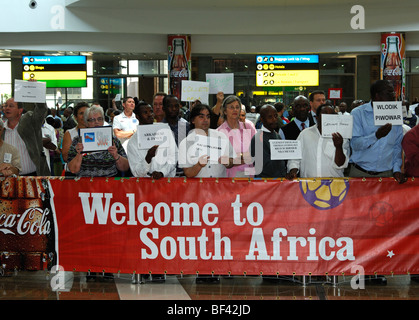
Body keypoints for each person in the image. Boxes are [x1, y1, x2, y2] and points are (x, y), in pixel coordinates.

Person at [349, 80, 406, 184]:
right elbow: (355, 144)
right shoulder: (358, 113)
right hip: (360, 173)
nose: (393, 96)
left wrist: (396, 169)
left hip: (386, 174)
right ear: (377, 96)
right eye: (389, 93)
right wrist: (376, 136)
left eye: (393, 93)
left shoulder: (395, 114)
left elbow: (397, 146)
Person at [286, 104, 350, 179]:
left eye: (331, 115)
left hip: (333, 186)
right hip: (308, 185)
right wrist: (293, 170)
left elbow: (340, 165)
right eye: (325, 114)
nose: (328, 117)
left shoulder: (341, 136)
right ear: (317, 118)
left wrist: (339, 147)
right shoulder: (305, 134)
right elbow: (295, 157)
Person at [67, 105, 129, 177]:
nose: (96, 122)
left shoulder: (113, 140)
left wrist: (116, 155)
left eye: (100, 119)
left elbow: (125, 168)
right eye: (92, 119)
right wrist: (79, 154)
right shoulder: (78, 140)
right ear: (86, 122)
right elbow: (73, 170)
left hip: (109, 183)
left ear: (103, 121)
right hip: (85, 184)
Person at [178, 104, 235, 178]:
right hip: (198, 187)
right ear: (193, 120)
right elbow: (188, 173)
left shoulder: (221, 137)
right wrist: (199, 165)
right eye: (201, 117)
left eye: (208, 117)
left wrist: (228, 162)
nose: (205, 120)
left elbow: (232, 160)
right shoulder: (186, 143)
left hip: (219, 186)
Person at [127, 102, 177, 179]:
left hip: (167, 179)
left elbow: (174, 155)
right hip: (146, 183)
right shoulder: (132, 142)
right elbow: (136, 172)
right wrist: (148, 158)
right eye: (145, 112)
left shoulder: (164, 130)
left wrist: (162, 172)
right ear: (137, 117)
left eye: (151, 111)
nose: (150, 114)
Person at [2, 98, 50, 176]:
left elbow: (41, 109)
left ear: (20, 110)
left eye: (11, 106)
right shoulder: (2, 130)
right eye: (6, 105)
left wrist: (36, 93)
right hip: (8, 178)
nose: (7, 108)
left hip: (33, 176)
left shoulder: (30, 123)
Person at [217, 95, 256, 178]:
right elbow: (223, 160)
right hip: (230, 177)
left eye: (237, 107)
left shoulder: (248, 126)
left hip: (250, 174)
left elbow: (256, 152)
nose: (235, 110)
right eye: (231, 107)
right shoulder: (219, 132)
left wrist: (234, 158)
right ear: (225, 111)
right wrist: (245, 157)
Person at [250, 104, 286, 178]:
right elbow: (263, 168)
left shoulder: (276, 135)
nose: (274, 119)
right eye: (270, 117)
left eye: (276, 116)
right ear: (262, 119)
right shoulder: (258, 139)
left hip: (278, 182)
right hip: (266, 184)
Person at [61, 102, 89, 175]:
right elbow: (65, 157)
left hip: (91, 174)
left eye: (86, 113)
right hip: (73, 173)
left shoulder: (96, 132)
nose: (84, 116)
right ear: (75, 117)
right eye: (81, 113)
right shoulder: (69, 133)